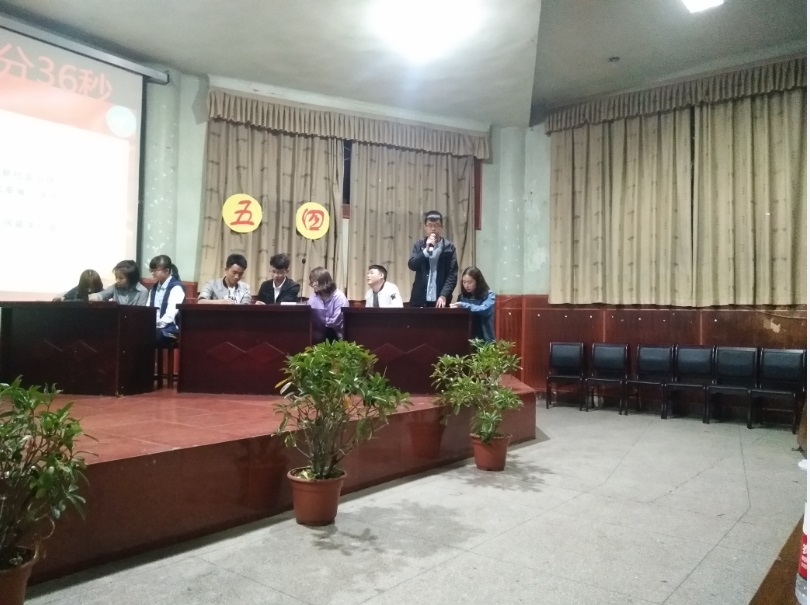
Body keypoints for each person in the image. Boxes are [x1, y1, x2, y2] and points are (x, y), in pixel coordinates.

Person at [408, 210, 458, 308]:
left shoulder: (449, 247)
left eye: (436, 225)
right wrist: (426, 251)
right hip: (419, 298)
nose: (433, 228)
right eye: (430, 225)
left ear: (441, 227)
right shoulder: (419, 245)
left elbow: (452, 274)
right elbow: (412, 265)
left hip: (440, 299)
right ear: (425, 227)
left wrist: (444, 295)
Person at [450, 266, 495, 342]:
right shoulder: (462, 297)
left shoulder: (489, 295)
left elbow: (484, 310)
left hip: (485, 338)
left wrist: (464, 305)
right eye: (464, 282)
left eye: (469, 282)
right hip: (466, 337)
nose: (466, 285)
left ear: (478, 281)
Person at [148, 254, 185, 343]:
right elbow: (148, 309)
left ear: (167, 271)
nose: (152, 273)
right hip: (155, 327)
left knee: (149, 336)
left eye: (155, 270)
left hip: (170, 329)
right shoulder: (153, 288)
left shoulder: (176, 287)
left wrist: (155, 325)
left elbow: (170, 314)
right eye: (151, 270)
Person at [307, 266, 349, 342]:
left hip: (336, 337)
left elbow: (336, 322)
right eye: (312, 282)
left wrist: (319, 321)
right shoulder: (313, 297)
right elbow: (309, 317)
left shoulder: (339, 297)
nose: (313, 284)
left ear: (324, 281)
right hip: (317, 335)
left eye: (315, 281)